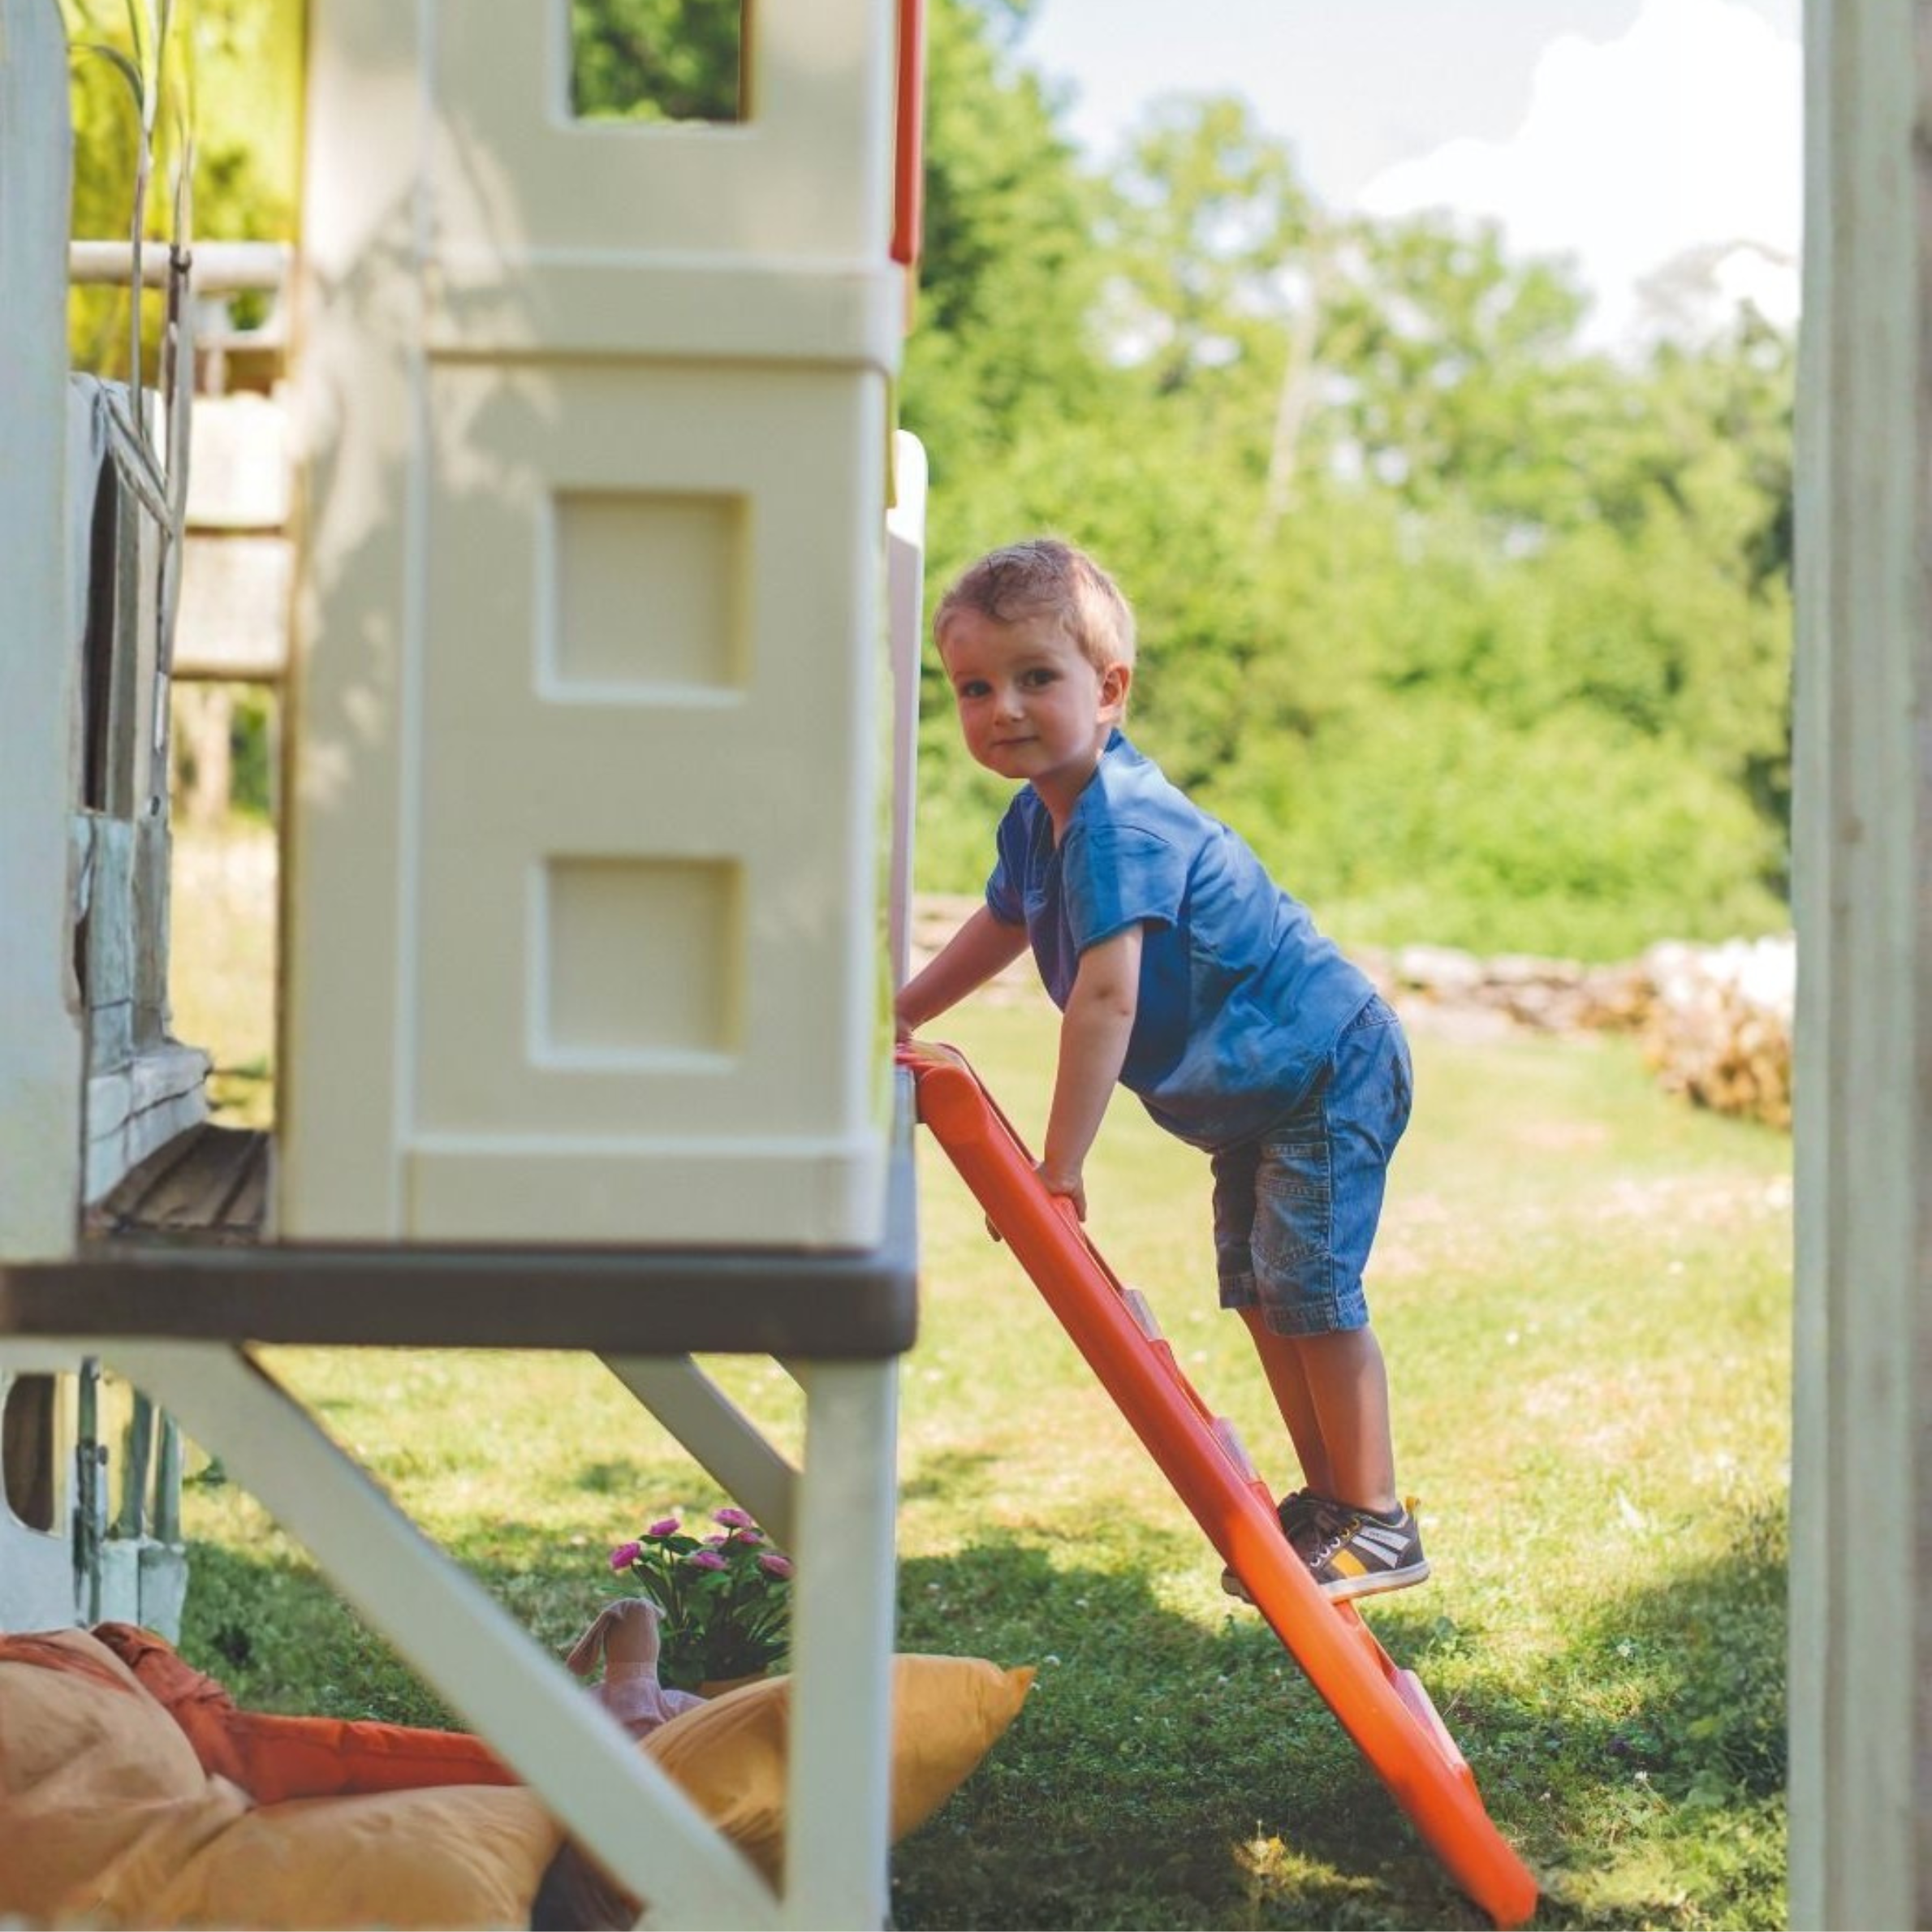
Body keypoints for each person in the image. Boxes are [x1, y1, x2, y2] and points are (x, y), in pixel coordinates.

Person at [895, 537, 1427, 1602]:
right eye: (975, 687)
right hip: (1259, 1098)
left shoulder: (1121, 823)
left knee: (1310, 1289)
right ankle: (1333, 1504)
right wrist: (898, 1011)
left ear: (1109, 690)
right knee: (1264, 1293)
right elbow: (1003, 925)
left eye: (1036, 677)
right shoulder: (1037, 820)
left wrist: (1059, 1167)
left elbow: (1107, 997)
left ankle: (1378, 1518)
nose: (1004, 708)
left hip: (1324, 1066)